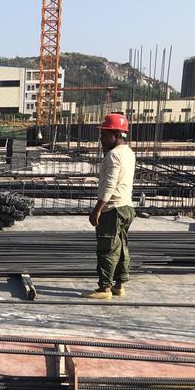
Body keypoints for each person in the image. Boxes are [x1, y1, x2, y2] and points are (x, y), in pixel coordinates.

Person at [84, 113, 135, 300]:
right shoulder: (129, 153)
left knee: (107, 249)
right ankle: (119, 285)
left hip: (113, 209)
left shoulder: (113, 155)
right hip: (127, 207)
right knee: (121, 247)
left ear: (117, 134)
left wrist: (97, 209)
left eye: (105, 135)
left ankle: (104, 289)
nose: (101, 139)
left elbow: (109, 185)